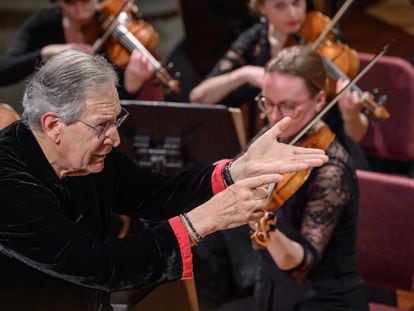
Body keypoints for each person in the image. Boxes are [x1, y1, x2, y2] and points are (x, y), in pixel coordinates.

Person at [0, 49, 328, 310]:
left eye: (117, 121)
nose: (114, 138)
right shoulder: (7, 180)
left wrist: (234, 171)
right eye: (102, 125)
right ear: (54, 125)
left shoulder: (92, 155)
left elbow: (156, 194)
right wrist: (201, 221)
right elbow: (98, 264)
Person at [249, 45, 368, 310]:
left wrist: (256, 218)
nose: (275, 117)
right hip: (272, 292)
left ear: (320, 100)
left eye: (289, 106)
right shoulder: (271, 136)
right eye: (267, 103)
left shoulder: (331, 170)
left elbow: (299, 265)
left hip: (323, 300)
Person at [189, 0, 368, 143]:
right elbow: (197, 97)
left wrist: (351, 115)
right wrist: (243, 73)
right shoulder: (254, 41)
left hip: (324, 144)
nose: (292, 13)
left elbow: (356, 135)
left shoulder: (327, 36)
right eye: (279, 5)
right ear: (262, 8)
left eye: (297, 3)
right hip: (271, 144)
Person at [0, 0, 160, 100]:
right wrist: (45, 52)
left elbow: (117, 106)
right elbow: (4, 71)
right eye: (69, 2)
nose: (80, 10)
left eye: (86, 1)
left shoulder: (114, 24)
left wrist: (131, 86)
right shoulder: (45, 22)